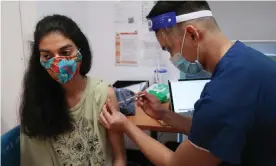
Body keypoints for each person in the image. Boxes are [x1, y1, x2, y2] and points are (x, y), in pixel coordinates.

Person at [99, 1, 276, 166]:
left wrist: (126, 125)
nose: (171, 58)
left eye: (169, 49)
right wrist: (163, 114)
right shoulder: (245, 59)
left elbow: (177, 163)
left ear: (192, 34)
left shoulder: (225, 93)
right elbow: (210, 132)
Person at [19, 14, 125, 166]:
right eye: (47, 56)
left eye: (65, 53)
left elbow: (119, 158)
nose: (57, 62)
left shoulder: (103, 94)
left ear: (80, 51)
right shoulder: (36, 103)